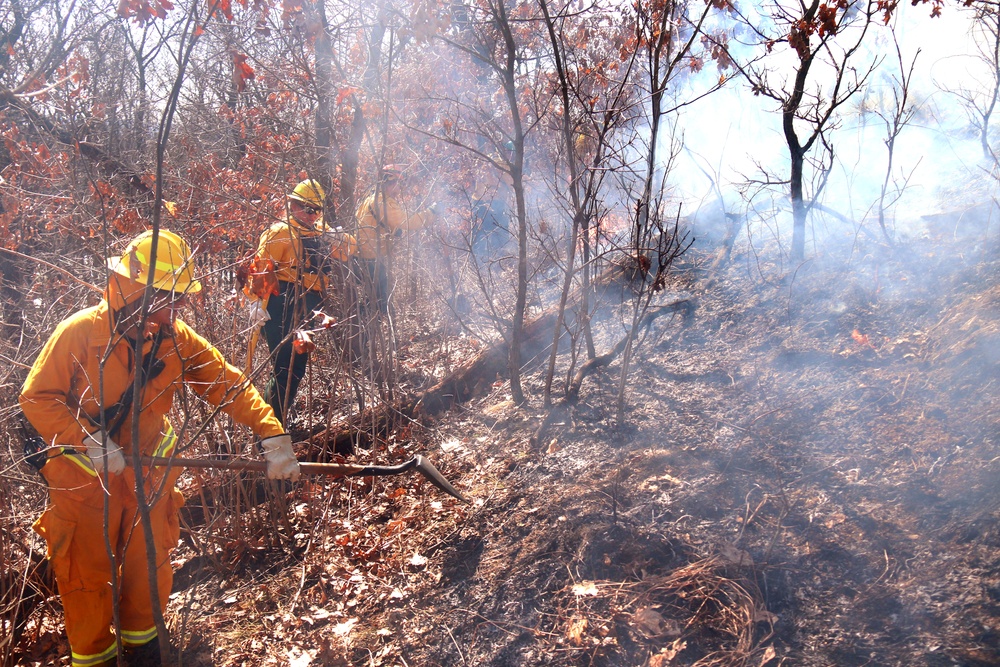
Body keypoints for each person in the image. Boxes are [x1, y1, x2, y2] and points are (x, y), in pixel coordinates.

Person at [19, 229, 299, 667]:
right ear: (138, 292)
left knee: (147, 568)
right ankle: (95, 660)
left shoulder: (175, 338)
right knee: (85, 580)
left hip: (149, 476)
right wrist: (88, 439)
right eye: (171, 298)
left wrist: (271, 432)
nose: (178, 309)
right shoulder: (79, 334)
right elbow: (37, 397)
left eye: (181, 299)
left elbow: (225, 382)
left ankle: (146, 649)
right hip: (82, 484)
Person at [246, 178, 355, 423]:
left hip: (311, 303)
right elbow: (260, 268)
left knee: (297, 368)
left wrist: (343, 239)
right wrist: (255, 302)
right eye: (306, 208)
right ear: (293, 205)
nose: (311, 214)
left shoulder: (321, 230)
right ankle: (268, 428)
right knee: (285, 368)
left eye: (316, 210)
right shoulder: (280, 232)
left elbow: (349, 251)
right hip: (281, 302)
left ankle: (275, 421)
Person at [353, 165, 441, 313]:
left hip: (361, 257)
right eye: (399, 184)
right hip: (370, 259)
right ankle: (366, 332)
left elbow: (377, 223)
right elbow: (408, 221)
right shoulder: (383, 201)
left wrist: (393, 230)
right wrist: (432, 212)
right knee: (379, 304)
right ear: (392, 183)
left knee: (372, 300)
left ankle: (365, 329)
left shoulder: (372, 197)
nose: (400, 188)